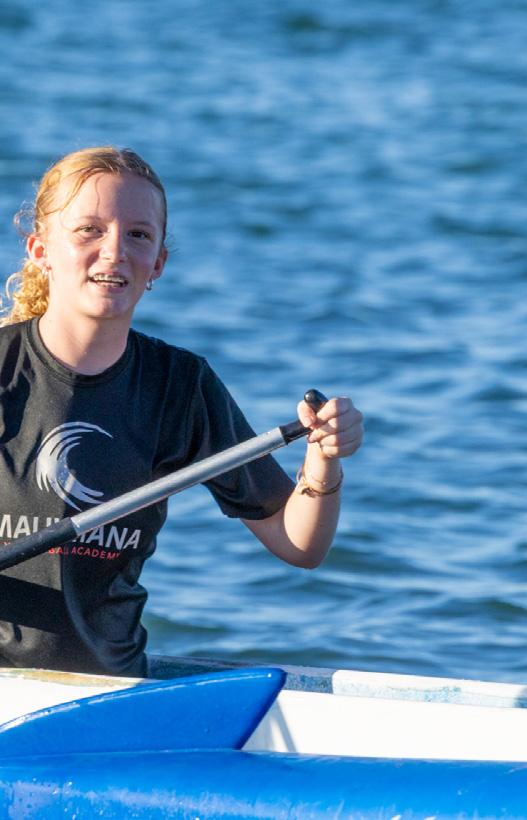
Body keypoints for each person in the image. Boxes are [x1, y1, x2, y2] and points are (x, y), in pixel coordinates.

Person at [0, 146, 363, 677]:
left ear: (158, 264)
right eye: (89, 231)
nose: (114, 251)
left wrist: (323, 458)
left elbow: (299, 543)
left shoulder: (179, 386)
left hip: (111, 687)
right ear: (41, 250)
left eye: (138, 235)